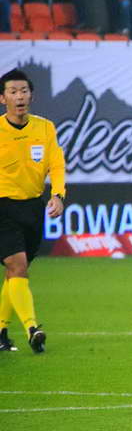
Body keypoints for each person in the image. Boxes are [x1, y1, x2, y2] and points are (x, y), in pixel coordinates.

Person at [0, 68, 64, 353]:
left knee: (16, 274)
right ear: (3, 99)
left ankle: (1, 331)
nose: (19, 97)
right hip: (2, 207)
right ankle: (31, 328)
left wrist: (58, 195)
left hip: (32, 207)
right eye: (13, 92)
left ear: (32, 95)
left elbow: (57, 164)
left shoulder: (45, 128)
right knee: (18, 266)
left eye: (23, 91)